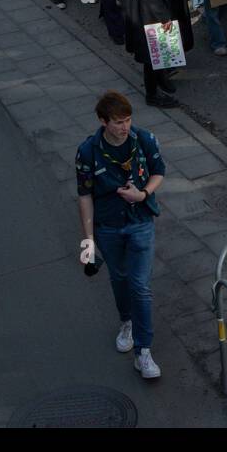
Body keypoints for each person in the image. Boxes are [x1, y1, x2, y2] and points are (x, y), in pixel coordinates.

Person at [75, 90, 166, 380]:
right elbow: (85, 195)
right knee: (119, 279)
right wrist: (88, 242)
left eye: (127, 120)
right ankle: (126, 321)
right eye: (117, 122)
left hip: (140, 222)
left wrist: (143, 194)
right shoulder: (88, 151)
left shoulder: (144, 140)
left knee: (140, 286)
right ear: (103, 121)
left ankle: (144, 351)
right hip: (108, 228)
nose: (124, 127)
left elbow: (158, 172)